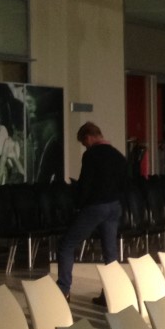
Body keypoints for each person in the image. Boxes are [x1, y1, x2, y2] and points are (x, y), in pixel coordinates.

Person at [56, 122, 129, 299]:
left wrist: (78, 205)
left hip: (96, 207)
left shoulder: (91, 155)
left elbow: (86, 185)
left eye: (84, 143)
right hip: (114, 206)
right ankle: (111, 295)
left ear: (88, 137)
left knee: (66, 245)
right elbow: (126, 182)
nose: (85, 146)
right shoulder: (118, 155)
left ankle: (63, 291)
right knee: (110, 253)